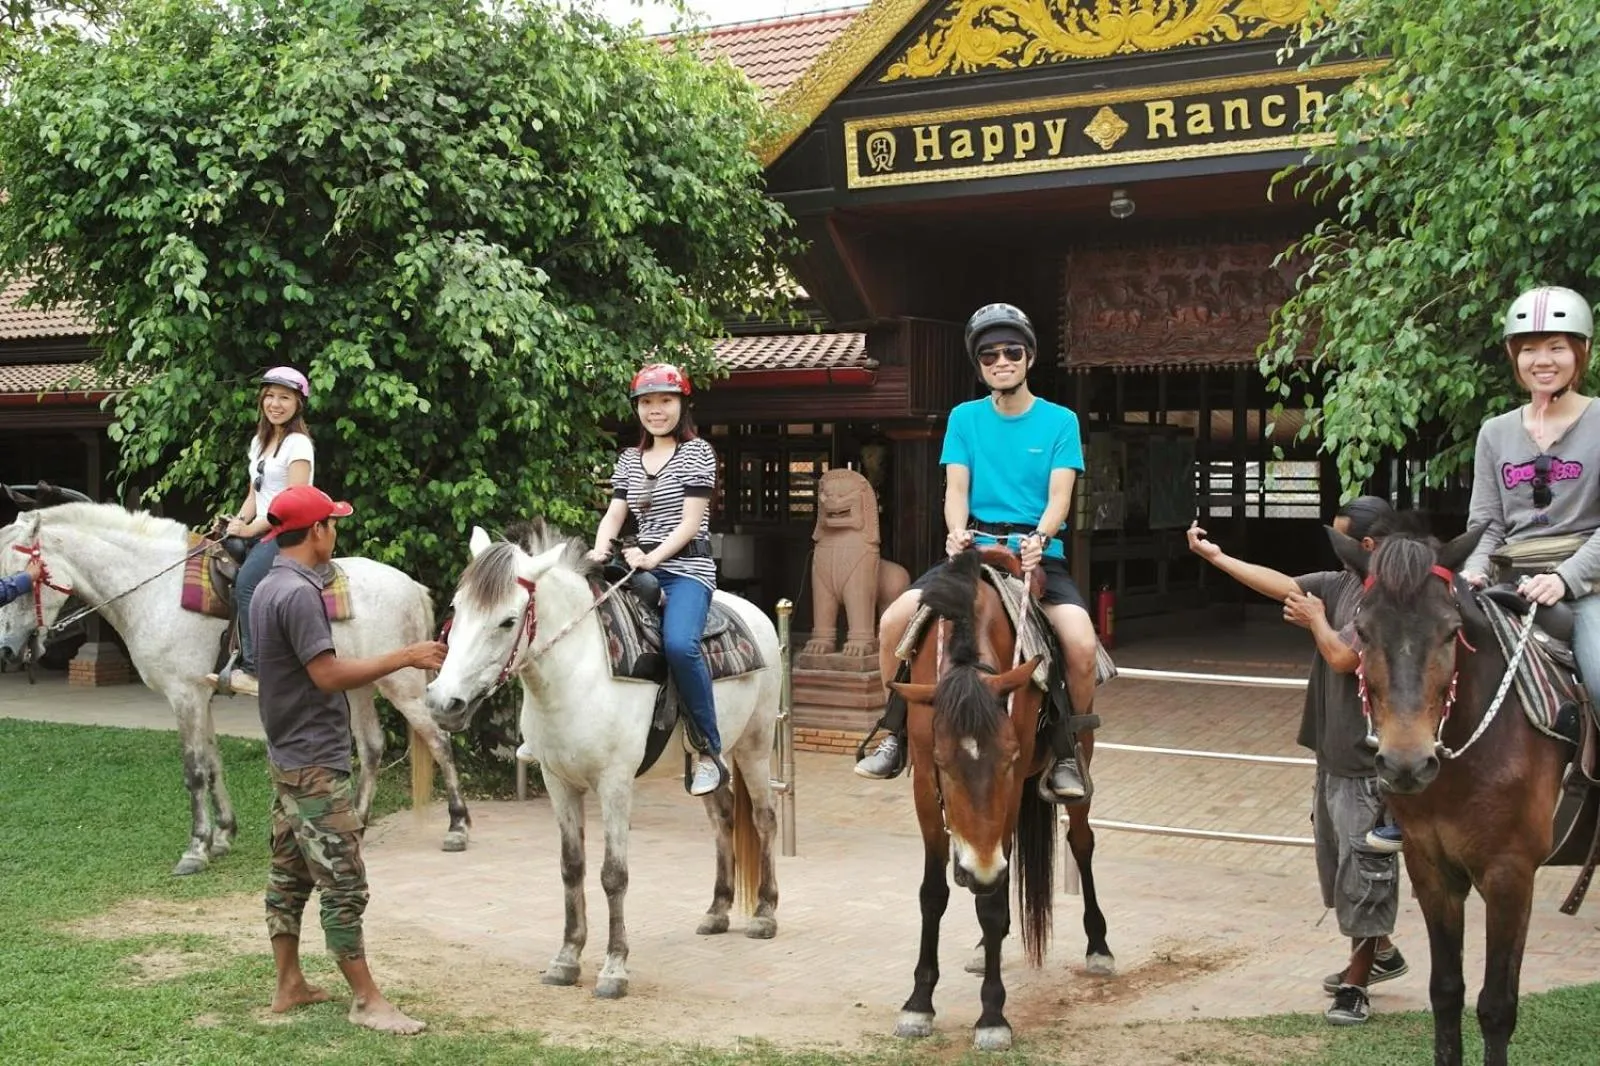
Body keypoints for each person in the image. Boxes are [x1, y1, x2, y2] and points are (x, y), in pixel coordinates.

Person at [855, 302, 1098, 804]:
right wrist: (954, 531)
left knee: (1079, 644)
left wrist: (1041, 537)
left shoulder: (1061, 421)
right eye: (989, 354)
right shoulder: (965, 418)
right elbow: (956, 489)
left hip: (1037, 555)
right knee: (893, 621)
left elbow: (1060, 496)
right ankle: (895, 731)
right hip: (972, 552)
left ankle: (1068, 750)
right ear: (979, 363)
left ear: (1029, 357)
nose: (1001, 361)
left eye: (1012, 351)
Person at [1187, 499, 1412, 1026]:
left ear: (1369, 546)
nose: (1333, 549)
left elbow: (1343, 657)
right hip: (1332, 754)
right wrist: (1217, 557)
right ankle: (1382, 953)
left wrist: (1314, 620)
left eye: (1340, 540)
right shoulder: (1341, 583)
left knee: (1366, 873)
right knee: (1341, 873)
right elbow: (1283, 583)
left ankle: (1356, 986)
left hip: (1367, 761)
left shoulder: (1391, 598)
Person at [252, 484, 446, 1035]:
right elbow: (327, 675)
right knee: (344, 882)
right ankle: (365, 999)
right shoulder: (299, 594)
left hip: (288, 754)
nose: (335, 532)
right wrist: (406, 656)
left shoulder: (269, 585)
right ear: (316, 532)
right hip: (314, 760)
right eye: (332, 524)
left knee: (289, 873)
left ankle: (289, 983)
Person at [586, 363, 727, 797]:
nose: (656, 410)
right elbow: (615, 513)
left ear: (682, 404)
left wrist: (651, 557)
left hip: (686, 569)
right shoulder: (629, 459)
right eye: (647, 402)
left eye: (665, 400)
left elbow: (689, 524)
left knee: (679, 645)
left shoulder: (698, 452)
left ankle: (709, 750)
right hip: (637, 564)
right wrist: (598, 549)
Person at [1460, 286, 1600, 709]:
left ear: (1581, 351)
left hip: (1584, 585)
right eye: (1529, 349)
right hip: (1509, 583)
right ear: (1513, 356)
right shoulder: (1494, 431)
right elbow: (1486, 522)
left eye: (1556, 347)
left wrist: (1564, 579)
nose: (1542, 361)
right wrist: (1474, 569)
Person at [210, 366, 318, 697]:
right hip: (261, 528)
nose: (275, 403)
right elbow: (254, 493)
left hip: (291, 532)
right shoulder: (260, 442)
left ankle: (256, 670)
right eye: (270, 396)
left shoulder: (298, 444)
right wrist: (234, 523)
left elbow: (293, 499)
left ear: (298, 404)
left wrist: (252, 528)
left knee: (246, 584)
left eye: (284, 397)